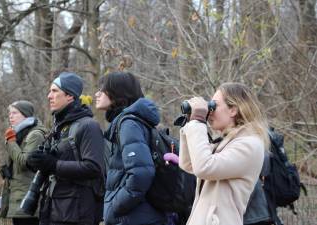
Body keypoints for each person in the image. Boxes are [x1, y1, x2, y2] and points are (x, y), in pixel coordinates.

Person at [179, 82, 269, 225]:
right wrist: (190, 124)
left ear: (233, 110)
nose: (210, 111)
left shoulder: (249, 145)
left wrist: (198, 122)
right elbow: (189, 164)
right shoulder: (227, 142)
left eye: (214, 105)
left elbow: (204, 167)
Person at [26, 72, 105, 225]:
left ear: (69, 95)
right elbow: (50, 166)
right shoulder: (58, 127)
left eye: (55, 91)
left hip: (77, 214)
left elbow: (93, 167)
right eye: (49, 91)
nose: (49, 96)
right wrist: (35, 161)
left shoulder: (88, 126)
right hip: (53, 210)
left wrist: (53, 164)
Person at [95, 71, 165, 225]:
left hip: (134, 218)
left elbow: (141, 173)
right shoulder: (132, 122)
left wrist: (116, 206)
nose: (96, 94)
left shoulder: (128, 124)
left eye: (102, 89)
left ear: (117, 92)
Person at [2, 100, 47, 225]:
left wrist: (10, 142)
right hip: (18, 196)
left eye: (15, 113)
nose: (10, 116)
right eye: (10, 113)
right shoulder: (19, 133)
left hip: (28, 199)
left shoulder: (35, 135)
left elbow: (24, 162)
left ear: (26, 115)